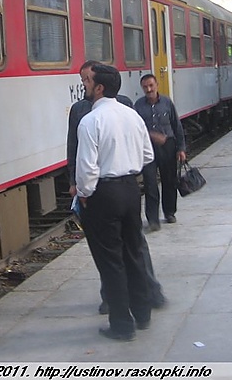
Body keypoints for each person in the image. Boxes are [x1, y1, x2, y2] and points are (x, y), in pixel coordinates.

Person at [66, 61, 166, 315]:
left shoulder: (90, 120)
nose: (83, 85)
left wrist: (84, 193)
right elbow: (146, 156)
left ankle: (121, 323)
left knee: (110, 259)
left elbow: (86, 166)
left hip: (103, 192)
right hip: (131, 189)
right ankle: (142, 313)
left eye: (87, 81)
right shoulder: (130, 113)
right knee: (133, 251)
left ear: (99, 87)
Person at [134, 74, 186, 231]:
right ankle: (153, 219)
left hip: (168, 146)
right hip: (148, 148)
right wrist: (151, 135)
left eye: (151, 85)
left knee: (169, 180)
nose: (148, 89)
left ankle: (170, 212)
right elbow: (136, 128)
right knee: (150, 183)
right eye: (145, 87)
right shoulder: (139, 106)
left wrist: (181, 148)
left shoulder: (167, 102)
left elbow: (176, 125)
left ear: (157, 85)